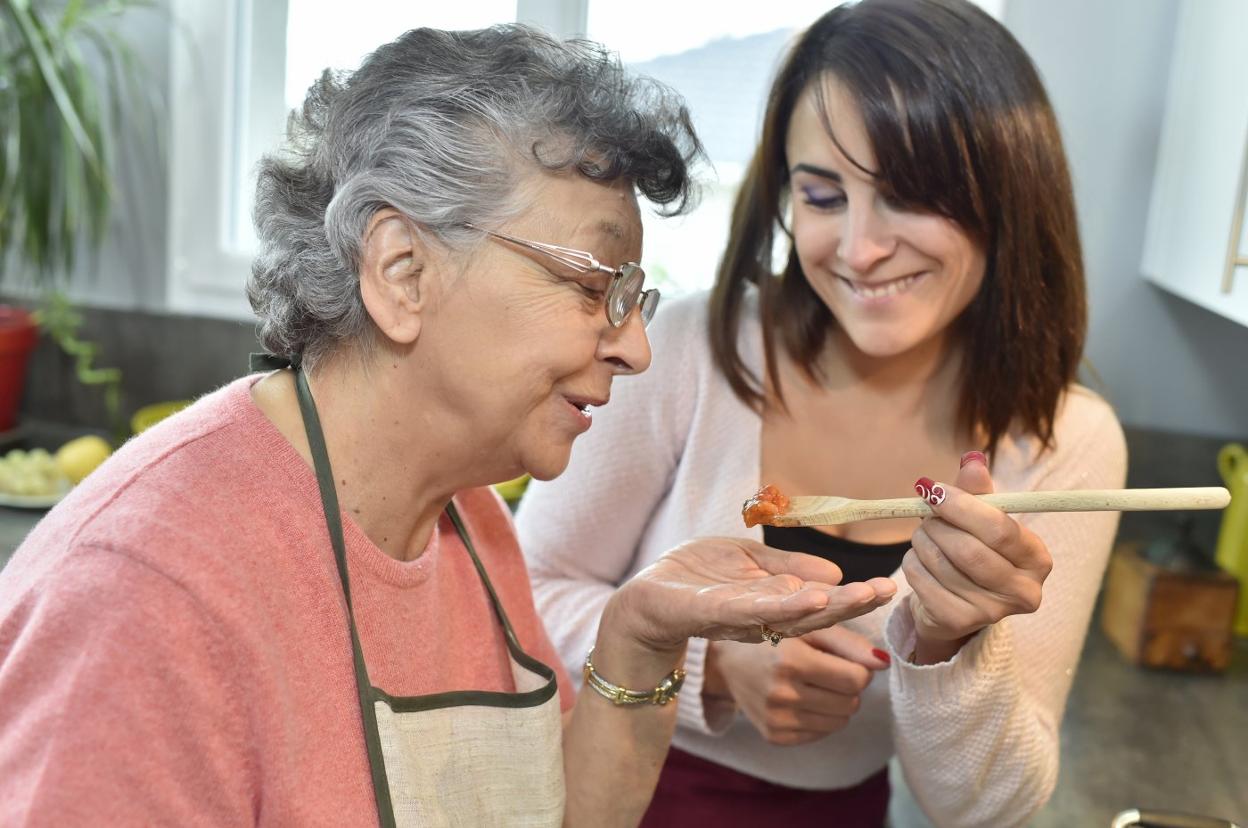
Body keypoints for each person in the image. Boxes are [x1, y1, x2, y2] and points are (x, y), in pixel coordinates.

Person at [0, 25, 899, 827]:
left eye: (634, 297)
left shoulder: (472, 523)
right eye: (595, 286)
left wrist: (640, 631)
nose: (636, 349)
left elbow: (560, 812)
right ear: (402, 272)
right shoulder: (142, 593)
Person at [514, 1, 1127, 826]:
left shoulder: (1067, 440)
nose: (861, 248)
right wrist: (713, 667)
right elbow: (522, 598)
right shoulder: (690, 348)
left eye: (911, 196)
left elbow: (988, 807)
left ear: (1009, 193)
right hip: (606, 790)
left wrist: (947, 647)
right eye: (824, 196)